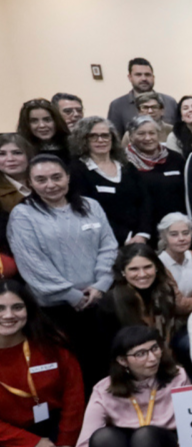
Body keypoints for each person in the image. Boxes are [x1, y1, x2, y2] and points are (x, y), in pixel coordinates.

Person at [8, 155, 118, 390]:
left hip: (99, 302)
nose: (50, 184)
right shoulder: (23, 215)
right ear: (30, 182)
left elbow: (109, 246)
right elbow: (32, 263)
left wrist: (101, 285)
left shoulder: (91, 206)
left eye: (56, 177)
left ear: (68, 177)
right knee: (72, 377)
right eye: (41, 179)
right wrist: (72, 295)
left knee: (106, 368)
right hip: (55, 312)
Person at [0, 280, 85, 447]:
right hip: (10, 433)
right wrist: (30, 442)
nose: (9, 315)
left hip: (54, 420)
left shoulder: (50, 342)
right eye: (1, 308)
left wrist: (68, 437)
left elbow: (73, 392)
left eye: (17, 307)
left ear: (28, 310)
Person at [69, 116, 154, 246]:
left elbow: (145, 201)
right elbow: (86, 210)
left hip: (139, 241)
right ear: (83, 140)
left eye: (105, 135)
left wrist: (142, 234)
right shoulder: (76, 170)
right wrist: (125, 238)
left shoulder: (127, 166)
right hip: (102, 242)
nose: (100, 140)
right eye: (93, 136)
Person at [98, 244, 188, 359]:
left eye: (147, 267)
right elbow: (110, 346)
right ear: (123, 272)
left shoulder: (165, 291)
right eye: (134, 269)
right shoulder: (111, 302)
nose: (142, 274)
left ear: (156, 267)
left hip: (165, 358)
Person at [124, 114, 186, 228]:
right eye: (141, 133)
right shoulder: (124, 162)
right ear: (131, 136)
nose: (148, 138)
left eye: (152, 133)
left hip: (176, 227)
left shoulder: (175, 158)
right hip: (141, 228)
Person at [107, 58, 179, 128]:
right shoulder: (117, 106)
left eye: (147, 74)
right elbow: (114, 137)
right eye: (138, 75)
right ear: (130, 77)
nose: (144, 78)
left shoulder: (170, 102)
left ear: (153, 77)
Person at [156, 213, 192, 316]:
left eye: (185, 233)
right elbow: (177, 305)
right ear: (163, 237)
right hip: (171, 320)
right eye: (174, 234)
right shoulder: (158, 264)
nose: (181, 238)